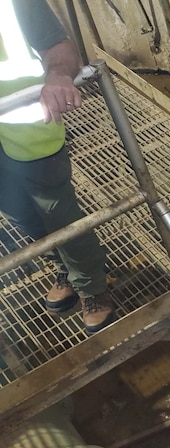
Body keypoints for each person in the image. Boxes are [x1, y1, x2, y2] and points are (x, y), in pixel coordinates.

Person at [0, 0, 115, 334]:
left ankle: (93, 289)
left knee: (59, 214)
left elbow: (59, 47)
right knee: (20, 214)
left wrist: (58, 75)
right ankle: (62, 267)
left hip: (28, 130)